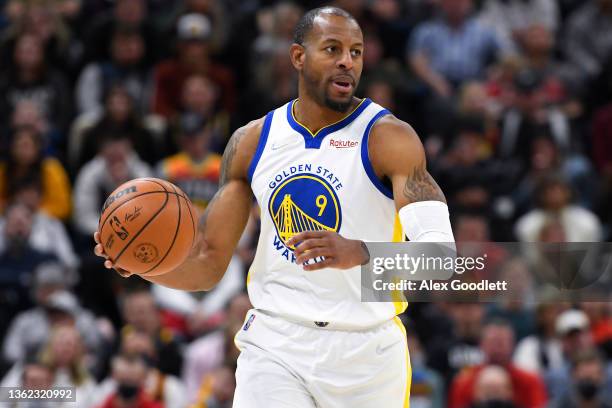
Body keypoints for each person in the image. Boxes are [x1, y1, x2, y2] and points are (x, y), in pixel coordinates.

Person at [96, 6, 455, 407]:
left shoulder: (389, 138)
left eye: (356, 52)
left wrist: (359, 252)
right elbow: (207, 264)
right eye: (332, 48)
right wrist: (145, 263)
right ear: (298, 57)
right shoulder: (252, 142)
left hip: (368, 351)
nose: (346, 61)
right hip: (276, 343)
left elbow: (441, 259)